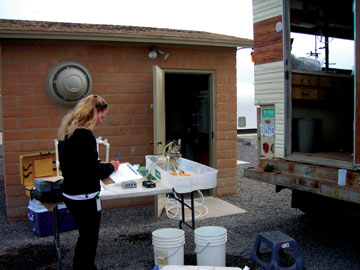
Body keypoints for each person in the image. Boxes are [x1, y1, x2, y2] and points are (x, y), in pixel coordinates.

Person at [57, 94, 120, 270]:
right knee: (89, 239)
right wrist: (111, 166)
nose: (101, 121)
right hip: (84, 197)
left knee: (84, 237)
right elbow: (93, 171)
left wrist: (95, 163)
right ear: (93, 112)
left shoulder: (68, 131)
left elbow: (75, 164)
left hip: (71, 194)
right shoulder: (85, 135)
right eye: (101, 116)